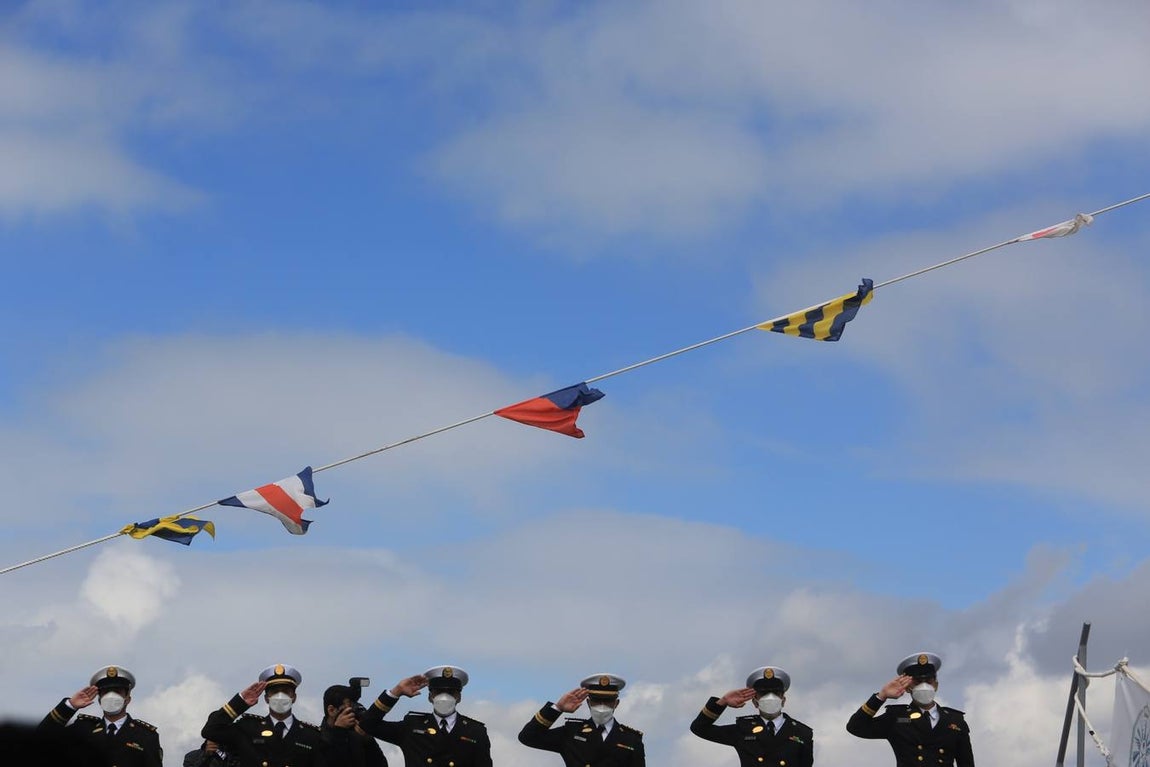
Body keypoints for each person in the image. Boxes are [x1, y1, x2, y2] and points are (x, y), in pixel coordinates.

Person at [846, 652, 974, 767]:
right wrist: (882, 696)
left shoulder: (955, 721)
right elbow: (856, 727)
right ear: (907, 687)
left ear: (936, 685)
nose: (924, 686)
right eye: (917, 682)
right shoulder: (897, 718)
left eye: (928, 681)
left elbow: (966, 763)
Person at [358, 665, 492, 767]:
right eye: (438, 692)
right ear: (430, 696)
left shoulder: (476, 731)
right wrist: (396, 692)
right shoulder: (412, 726)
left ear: (459, 697)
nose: (444, 697)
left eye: (451, 692)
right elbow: (368, 724)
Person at [201, 663, 326, 767]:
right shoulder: (247, 728)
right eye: (275, 692)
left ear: (294, 697)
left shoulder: (311, 736)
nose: (280, 696)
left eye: (286, 692)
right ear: (266, 698)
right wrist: (240, 703)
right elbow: (210, 731)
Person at [38, 664, 163, 767]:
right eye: (106, 691)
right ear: (99, 699)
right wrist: (70, 706)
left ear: (127, 699)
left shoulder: (146, 736)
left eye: (117, 691)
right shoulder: (82, 729)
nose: (111, 696)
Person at [690, 665, 814, 767]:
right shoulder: (743, 729)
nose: (770, 697)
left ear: (783, 700)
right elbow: (700, 728)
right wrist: (722, 702)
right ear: (755, 701)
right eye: (764, 693)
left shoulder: (802, 732)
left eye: (776, 693)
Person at [518, 673, 645, 767]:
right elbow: (528, 737)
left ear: (616, 703)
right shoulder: (571, 732)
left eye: (607, 701)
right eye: (596, 700)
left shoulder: (631, 740)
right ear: (589, 702)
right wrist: (558, 708)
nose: (601, 706)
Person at [321, 682, 388, 767]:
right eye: (348, 709)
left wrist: (369, 741)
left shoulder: (357, 739)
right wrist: (339, 732)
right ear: (331, 710)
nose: (353, 713)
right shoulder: (316, 738)